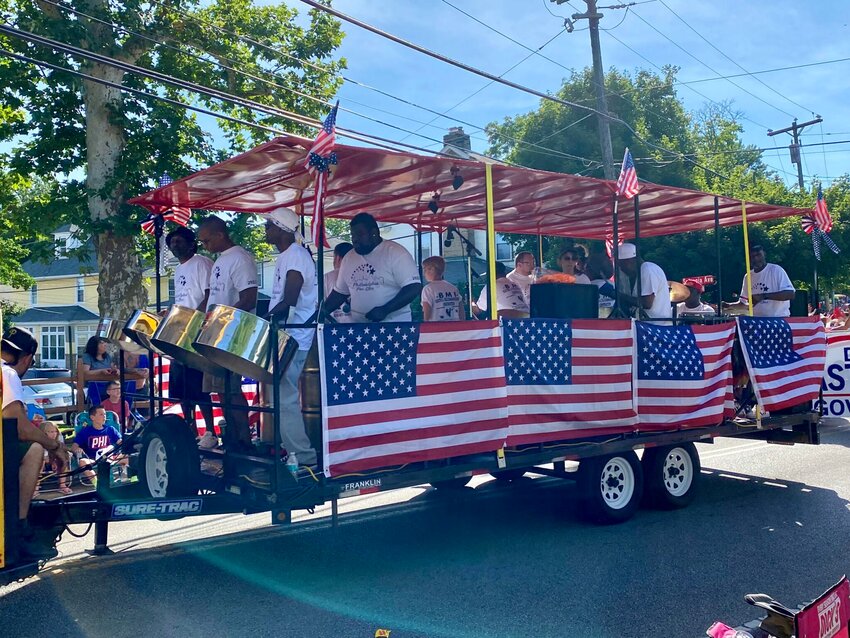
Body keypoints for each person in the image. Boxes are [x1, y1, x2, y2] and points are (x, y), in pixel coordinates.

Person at [1, 326, 67, 560]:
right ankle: (18, 527)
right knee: (35, 448)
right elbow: (20, 427)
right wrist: (56, 446)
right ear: (27, 358)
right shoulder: (7, 374)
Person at [196, 215, 259, 451]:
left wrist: (222, 318)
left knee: (232, 391)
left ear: (220, 235)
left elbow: (249, 298)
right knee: (220, 391)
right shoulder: (220, 261)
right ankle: (232, 439)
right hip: (215, 332)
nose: (205, 246)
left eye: (207, 241)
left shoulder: (240, 258)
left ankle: (244, 441)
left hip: (233, 332)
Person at [264, 207, 319, 469]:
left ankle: (304, 457)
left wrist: (263, 322)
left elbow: (289, 300)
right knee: (278, 396)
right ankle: (293, 452)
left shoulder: (296, 256)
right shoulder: (288, 255)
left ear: (282, 229)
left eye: (269, 225)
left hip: (295, 336)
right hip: (287, 334)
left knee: (284, 396)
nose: (265, 230)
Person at [166, 225, 216, 446]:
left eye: (179, 241)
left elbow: (209, 295)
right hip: (181, 333)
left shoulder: (201, 263)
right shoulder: (178, 270)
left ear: (191, 243)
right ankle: (190, 429)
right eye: (172, 242)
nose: (175, 245)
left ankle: (211, 432)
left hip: (197, 331)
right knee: (182, 388)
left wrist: (196, 321)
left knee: (199, 387)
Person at [324, 212, 422, 322]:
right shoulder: (349, 258)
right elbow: (340, 293)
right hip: (360, 328)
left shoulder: (395, 253)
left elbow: (413, 287)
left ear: (374, 233)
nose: (355, 239)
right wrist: (322, 312)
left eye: (360, 234)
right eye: (353, 235)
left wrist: (386, 309)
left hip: (393, 328)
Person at [725, 244, 795, 317]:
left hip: (778, 320)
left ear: (764, 254)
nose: (756, 259)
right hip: (757, 321)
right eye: (752, 257)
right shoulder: (748, 277)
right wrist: (728, 306)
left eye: (758, 255)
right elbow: (743, 303)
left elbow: (790, 294)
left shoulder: (776, 270)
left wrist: (763, 296)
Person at [77, 336, 147, 406]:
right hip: (96, 386)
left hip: (110, 384)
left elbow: (113, 367)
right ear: (94, 345)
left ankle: (127, 408)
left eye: (105, 343)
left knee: (129, 383)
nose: (105, 345)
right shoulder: (87, 356)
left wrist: (115, 370)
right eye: (101, 343)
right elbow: (85, 373)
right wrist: (101, 371)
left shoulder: (107, 357)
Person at [617, 243, 672, 321]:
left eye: (622, 265)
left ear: (630, 261)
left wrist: (617, 295)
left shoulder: (648, 269)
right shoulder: (635, 273)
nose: (621, 269)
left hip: (656, 327)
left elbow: (647, 303)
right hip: (643, 325)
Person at [421, 256, 465, 321]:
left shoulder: (428, 289)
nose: (424, 274)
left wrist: (426, 327)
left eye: (425, 270)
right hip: (455, 327)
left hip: (437, 328)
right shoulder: (453, 288)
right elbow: (461, 313)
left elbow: (427, 312)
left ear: (432, 269)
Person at [37, 421, 72, 496]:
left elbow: (60, 450)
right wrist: (47, 458)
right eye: (51, 432)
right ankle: (35, 488)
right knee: (40, 461)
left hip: (54, 458)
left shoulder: (59, 438)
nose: (54, 434)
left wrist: (54, 461)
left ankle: (62, 485)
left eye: (55, 431)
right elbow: (41, 452)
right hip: (42, 459)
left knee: (63, 458)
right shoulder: (39, 440)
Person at [323, 242, 353, 323]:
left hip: (334, 329)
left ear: (337, 258)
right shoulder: (362, 274)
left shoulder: (326, 278)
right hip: (360, 329)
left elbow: (320, 308)